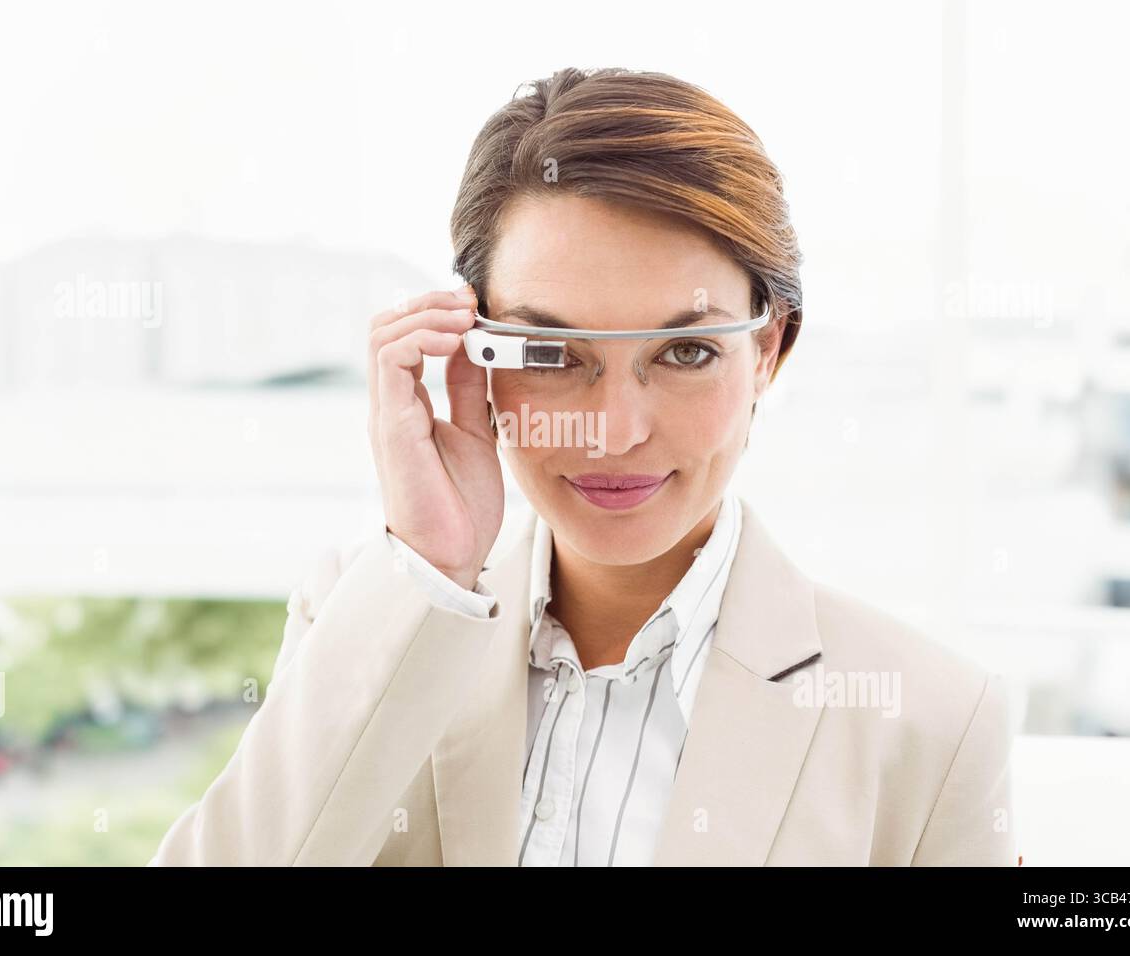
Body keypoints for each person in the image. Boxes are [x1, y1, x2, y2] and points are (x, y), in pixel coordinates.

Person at [150, 66, 1016, 867]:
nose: (613, 430)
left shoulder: (931, 723)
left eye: (683, 352)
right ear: (474, 351)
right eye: (551, 352)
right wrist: (431, 567)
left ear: (768, 353)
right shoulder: (372, 616)